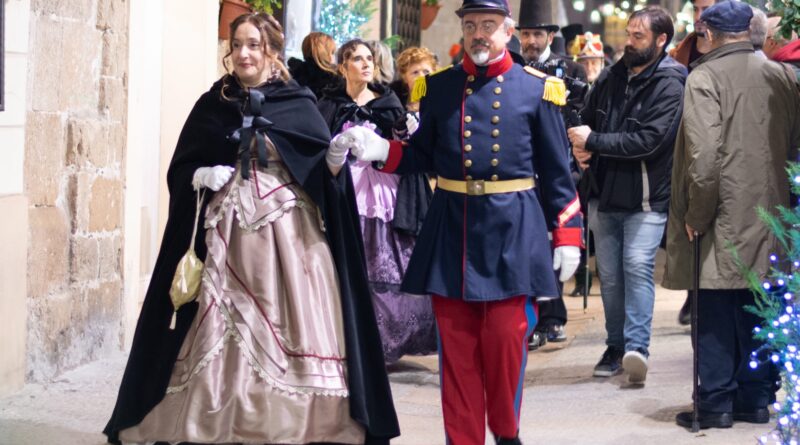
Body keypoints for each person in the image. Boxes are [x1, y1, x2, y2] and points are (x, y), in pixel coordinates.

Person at [103, 13, 399, 445]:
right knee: (214, 321)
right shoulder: (214, 102)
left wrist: (333, 159)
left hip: (291, 236)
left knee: (298, 317)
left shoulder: (297, 101)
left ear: (272, 51)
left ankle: (295, 417)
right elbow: (183, 164)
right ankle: (213, 414)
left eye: (254, 45)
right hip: (225, 232)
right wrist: (200, 174)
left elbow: (320, 173)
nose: (243, 53)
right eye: (237, 44)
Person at [334, 1, 583, 443]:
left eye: (488, 25)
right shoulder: (439, 88)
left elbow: (557, 171)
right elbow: (421, 156)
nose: (478, 34)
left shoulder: (536, 89)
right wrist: (380, 151)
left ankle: (506, 433)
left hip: (514, 229)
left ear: (508, 31)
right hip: (453, 229)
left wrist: (567, 234)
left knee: (507, 342)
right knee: (458, 351)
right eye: (470, 25)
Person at [664, 0, 800, 429]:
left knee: (715, 311)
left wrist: (697, 215)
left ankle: (717, 404)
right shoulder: (782, 75)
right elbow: (794, 145)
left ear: (708, 35)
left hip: (722, 212)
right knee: (759, 305)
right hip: (773, 212)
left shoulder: (704, 77)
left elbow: (704, 159)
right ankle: (757, 400)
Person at [569, 5, 687, 384]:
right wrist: (580, 146)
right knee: (611, 276)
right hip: (603, 193)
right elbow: (585, 115)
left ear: (661, 40)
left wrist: (595, 141)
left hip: (646, 197)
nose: (629, 42)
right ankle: (615, 345)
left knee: (637, 267)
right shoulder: (611, 75)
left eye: (639, 36)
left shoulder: (671, 82)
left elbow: (650, 141)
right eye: (629, 34)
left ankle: (638, 348)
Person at [318, 39, 437, 365]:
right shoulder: (329, 104)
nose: (366, 64)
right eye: (357, 59)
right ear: (343, 66)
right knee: (348, 262)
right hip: (346, 191)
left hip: (383, 192)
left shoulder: (387, 101)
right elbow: (317, 148)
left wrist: (405, 131)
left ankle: (385, 342)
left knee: (385, 261)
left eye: (369, 58)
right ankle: (349, 341)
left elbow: (406, 147)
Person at [287, 31, 339, 99]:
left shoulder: (292, 77)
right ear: (323, 53)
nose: (334, 57)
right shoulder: (334, 83)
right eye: (332, 52)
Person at [669, 0, 716, 72]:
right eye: (695, 9)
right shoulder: (675, 55)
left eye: (706, 10)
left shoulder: (731, 55)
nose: (698, 17)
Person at [390, 46, 439, 112]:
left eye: (426, 71)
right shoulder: (393, 100)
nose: (421, 76)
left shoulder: (441, 100)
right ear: (405, 77)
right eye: (415, 72)